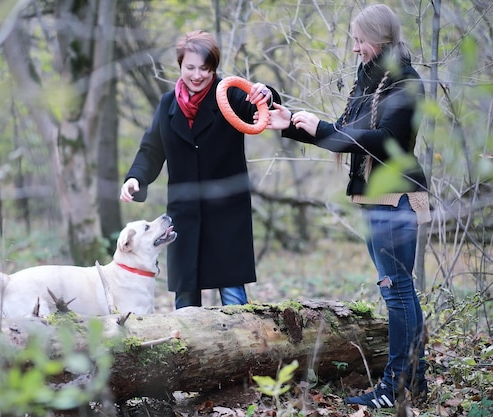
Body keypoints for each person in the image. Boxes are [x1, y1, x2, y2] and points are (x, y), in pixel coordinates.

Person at [265, 4, 429, 410]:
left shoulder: (406, 83)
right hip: (374, 199)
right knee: (401, 291)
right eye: (354, 41)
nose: (355, 49)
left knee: (399, 293)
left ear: (381, 39)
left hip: (396, 198)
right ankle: (414, 380)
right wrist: (290, 125)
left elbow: (384, 140)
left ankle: (397, 385)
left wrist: (323, 127)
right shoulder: (367, 81)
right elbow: (343, 136)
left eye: (360, 41)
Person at [120, 30, 280, 310]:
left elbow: (260, 102)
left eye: (204, 69)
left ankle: (243, 353)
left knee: (234, 300)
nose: (196, 75)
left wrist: (265, 92)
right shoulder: (167, 104)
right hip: (184, 218)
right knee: (185, 303)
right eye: (190, 67)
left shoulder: (229, 95)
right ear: (180, 66)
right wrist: (136, 177)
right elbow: (151, 150)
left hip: (227, 215)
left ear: (214, 68)